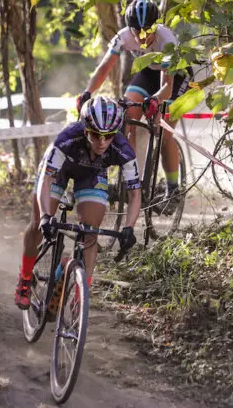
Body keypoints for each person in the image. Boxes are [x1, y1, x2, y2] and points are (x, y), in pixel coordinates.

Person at [15, 96, 142, 309]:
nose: (102, 142)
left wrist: (129, 228)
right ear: (85, 129)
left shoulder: (123, 150)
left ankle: (81, 296)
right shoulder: (66, 139)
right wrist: (47, 216)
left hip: (91, 173)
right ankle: (25, 278)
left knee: (91, 232)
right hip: (60, 170)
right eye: (95, 135)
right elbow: (46, 181)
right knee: (38, 221)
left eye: (108, 136)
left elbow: (135, 195)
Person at [76, 0, 191, 213]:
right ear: (130, 29)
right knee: (127, 116)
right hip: (148, 72)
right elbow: (103, 69)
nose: (143, 36)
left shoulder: (166, 40)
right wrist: (87, 93)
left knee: (162, 131)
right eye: (137, 32)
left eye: (148, 31)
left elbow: (166, 86)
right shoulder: (124, 37)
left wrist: (155, 101)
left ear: (156, 25)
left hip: (176, 77)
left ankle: (173, 188)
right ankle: (132, 178)